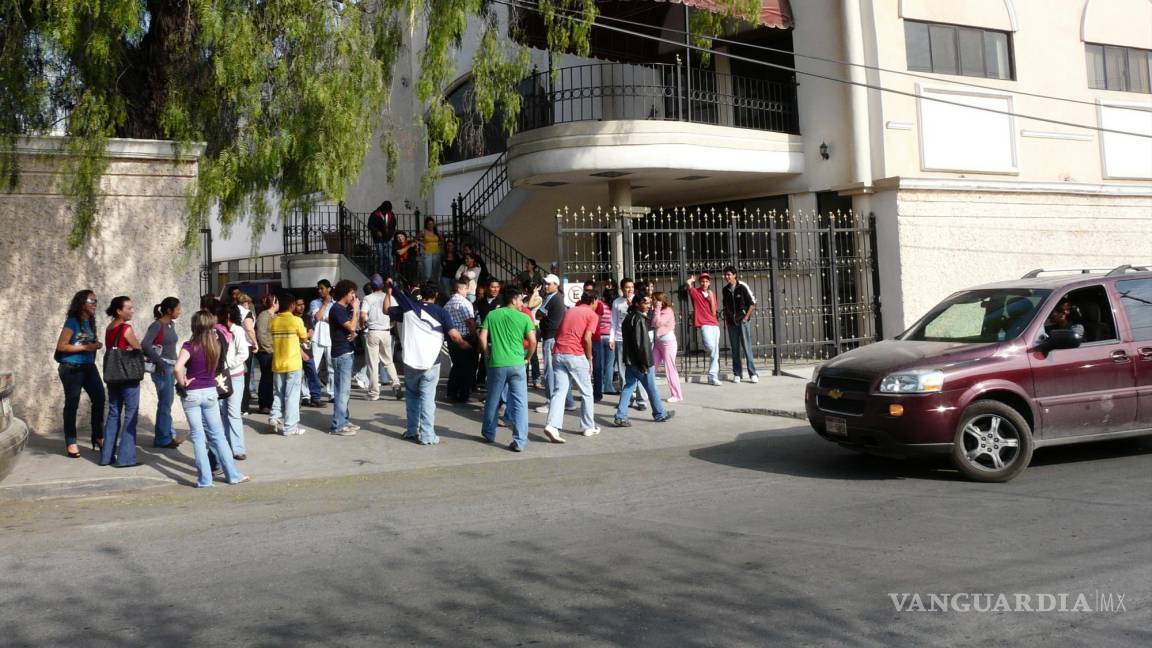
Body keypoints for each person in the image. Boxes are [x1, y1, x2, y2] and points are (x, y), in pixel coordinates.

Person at [388, 283, 470, 445]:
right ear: (436, 295)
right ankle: (427, 435)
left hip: (410, 361)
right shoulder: (441, 312)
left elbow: (388, 308)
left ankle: (412, 431)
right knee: (427, 398)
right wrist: (464, 345)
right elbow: (454, 336)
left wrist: (389, 289)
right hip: (431, 362)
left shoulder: (408, 308)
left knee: (412, 397)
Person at [174, 310, 249, 488]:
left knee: (199, 437)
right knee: (218, 436)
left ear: (195, 326)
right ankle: (233, 475)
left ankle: (205, 480)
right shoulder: (216, 345)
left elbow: (177, 368)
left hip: (192, 393)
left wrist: (183, 382)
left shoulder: (189, 345)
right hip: (210, 392)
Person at [479, 290, 537, 451]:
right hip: (518, 364)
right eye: (520, 300)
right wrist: (528, 357)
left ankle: (489, 432)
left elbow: (482, 337)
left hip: (497, 363)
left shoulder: (492, 315)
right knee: (520, 403)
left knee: (493, 398)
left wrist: (487, 353)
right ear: (513, 299)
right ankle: (519, 441)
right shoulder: (524, 317)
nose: (522, 303)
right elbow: (533, 341)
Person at [544, 289, 601, 441]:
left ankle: (552, 425)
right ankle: (588, 426)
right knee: (587, 392)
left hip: (558, 352)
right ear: (594, 300)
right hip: (575, 354)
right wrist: (589, 359)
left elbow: (558, 331)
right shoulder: (592, 315)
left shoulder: (570, 311)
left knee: (559, 392)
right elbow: (588, 338)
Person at [55, 290, 106, 458]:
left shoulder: (90, 322)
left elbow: (87, 343)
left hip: (88, 367)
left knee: (99, 398)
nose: (94, 305)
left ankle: (97, 436)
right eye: (91, 301)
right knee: (72, 403)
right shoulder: (72, 322)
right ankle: (71, 441)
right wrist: (85, 347)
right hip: (71, 367)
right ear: (81, 303)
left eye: (96, 301)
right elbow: (62, 346)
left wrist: (95, 344)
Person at [614, 294, 676, 427]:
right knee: (651, 387)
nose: (649, 305)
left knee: (629, 387)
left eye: (649, 303)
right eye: (645, 302)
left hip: (630, 360)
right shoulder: (639, 320)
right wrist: (644, 363)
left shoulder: (628, 318)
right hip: (641, 362)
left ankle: (620, 415)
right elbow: (641, 344)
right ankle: (659, 414)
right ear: (637, 304)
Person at [100, 296, 144, 468]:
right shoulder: (126, 328)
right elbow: (139, 348)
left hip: (113, 375)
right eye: (129, 308)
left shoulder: (109, 328)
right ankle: (125, 458)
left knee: (113, 413)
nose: (132, 311)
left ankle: (106, 456)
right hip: (128, 376)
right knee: (131, 414)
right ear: (119, 311)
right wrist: (134, 348)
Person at [142, 297, 182, 449]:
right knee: (165, 403)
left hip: (170, 367)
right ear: (169, 311)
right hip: (162, 369)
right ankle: (162, 439)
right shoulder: (157, 325)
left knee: (168, 402)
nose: (180, 311)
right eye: (177, 309)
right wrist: (159, 362)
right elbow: (145, 344)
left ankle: (168, 435)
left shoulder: (171, 325)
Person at [534, 274, 576, 415]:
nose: (545, 286)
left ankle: (551, 402)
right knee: (561, 371)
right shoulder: (555, 298)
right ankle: (569, 401)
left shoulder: (552, 298)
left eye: (548, 284)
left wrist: (542, 315)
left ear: (556, 285)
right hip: (555, 337)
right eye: (545, 284)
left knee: (550, 371)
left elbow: (538, 314)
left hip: (551, 338)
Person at [270, 292, 309, 435]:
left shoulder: (274, 321)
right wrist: (308, 334)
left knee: (278, 392)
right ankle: (290, 428)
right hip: (293, 363)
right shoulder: (296, 321)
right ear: (292, 306)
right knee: (292, 396)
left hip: (278, 363)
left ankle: (274, 417)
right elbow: (304, 337)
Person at [216, 303, 250, 460]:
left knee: (233, 412)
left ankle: (238, 448)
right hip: (222, 376)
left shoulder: (238, 331)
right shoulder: (219, 330)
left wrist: (227, 365)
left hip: (235, 376)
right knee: (223, 411)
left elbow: (244, 354)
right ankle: (226, 445)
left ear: (227, 315)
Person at [328, 279, 361, 436]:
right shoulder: (337, 309)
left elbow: (353, 329)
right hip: (341, 354)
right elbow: (352, 326)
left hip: (346, 351)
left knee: (344, 390)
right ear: (345, 293)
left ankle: (344, 420)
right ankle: (338, 425)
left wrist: (353, 334)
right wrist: (355, 309)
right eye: (352, 293)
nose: (354, 296)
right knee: (342, 391)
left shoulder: (343, 309)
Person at [361, 275, 402, 401]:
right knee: (388, 361)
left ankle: (374, 393)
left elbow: (363, 315)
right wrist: (392, 323)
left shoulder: (368, 298)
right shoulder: (389, 296)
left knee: (373, 364)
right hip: (386, 332)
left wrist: (365, 324)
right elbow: (395, 312)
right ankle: (396, 384)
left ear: (372, 286)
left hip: (373, 332)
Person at [609, 278, 646, 410]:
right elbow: (613, 321)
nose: (629, 290)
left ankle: (641, 401)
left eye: (631, 287)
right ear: (622, 288)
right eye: (626, 287)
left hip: (635, 340)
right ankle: (628, 399)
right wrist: (611, 338)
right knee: (622, 371)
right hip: (620, 339)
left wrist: (633, 305)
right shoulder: (617, 302)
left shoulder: (639, 300)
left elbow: (644, 316)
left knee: (640, 369)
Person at [721, 266, 759, 383]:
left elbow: (752, 303)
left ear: (734, 275)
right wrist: (728, 319)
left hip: (743, 322)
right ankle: (737, 373)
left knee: (747, 348)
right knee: (735, 349)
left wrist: (746, 317)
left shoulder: (742, 287)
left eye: (729, 274)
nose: (727, 277)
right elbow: (725, 306)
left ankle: (753, 373)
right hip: (731, 323)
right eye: (725, 275)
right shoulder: (725, 290)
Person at [444, 277, 478, 403]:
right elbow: (470, 321)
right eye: (466, 288)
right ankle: (464, 394)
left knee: (456, 366)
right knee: (467, 367)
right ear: (461, 288)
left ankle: (452, 393)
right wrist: (474, 335)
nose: (467, 291)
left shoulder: (448, 304)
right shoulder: (465, 303)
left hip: (452, 338)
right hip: (465, 337)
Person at [685, 273, 722, 386]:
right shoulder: (695, 292)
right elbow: (688, 285)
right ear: (699, 282)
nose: (704, 283)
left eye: (706, 281)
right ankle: (705, 346)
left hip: (714, 323)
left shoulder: (711, 293)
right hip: (704, 324)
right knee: (711, 347)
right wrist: (691, 280)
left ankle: (712, 376)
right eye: (702, 281)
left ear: (709, 283)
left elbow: (714, 311)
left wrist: (710, 299)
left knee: (715, 352)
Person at [651, 292, 684, 403]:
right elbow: (652, 323)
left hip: (668, 342)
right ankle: (645, 393)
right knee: (651, 367)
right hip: (658, 342)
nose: (653, 301)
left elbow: (657, 323)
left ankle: (677, 395)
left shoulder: (668, 311)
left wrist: (657, 308)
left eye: (655, 299)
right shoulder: (656, 310)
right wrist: (656, 310)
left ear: (660, 301)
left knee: (670, 368)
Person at [293, 297, 325, 408]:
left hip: (307, 350)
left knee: (312, 374)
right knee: (297, 376)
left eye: (303, 304)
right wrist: (304, 336)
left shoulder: (306, 318)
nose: (301, 307)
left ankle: (315, 398)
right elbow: (296, 337)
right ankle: (300, 399)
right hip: (295, 350)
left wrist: (304, 336)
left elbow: (311, 332)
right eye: (298, 304)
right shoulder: (292, 318)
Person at [308, 279, 335, 400]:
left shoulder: (335, 303)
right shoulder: (315, 303)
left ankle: (332, 393)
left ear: (329, 289)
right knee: (313, 367)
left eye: (322, 288)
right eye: (318, 288)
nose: (319, 291)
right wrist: (325, 305)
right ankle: (307, 393)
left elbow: (336, 320)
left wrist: (327, 316)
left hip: (331, 338)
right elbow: (318, 317)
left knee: (331, 367)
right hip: (317, 338)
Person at [473, 278, 501, 390]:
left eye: (497, 287)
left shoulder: (502, 301)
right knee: (486, 363)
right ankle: (485, 386)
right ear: (487, 288)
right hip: (485, 338)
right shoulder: (481, 302)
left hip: (499, 338)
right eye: (493, 287)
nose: (495, 289)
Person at [234, 292, 258, 414]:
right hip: (246, 346)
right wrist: (255, 342)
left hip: (234, 345)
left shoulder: (234, 311)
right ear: (246, 302)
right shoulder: (246, 313)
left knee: (235, 375)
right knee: (245, 376)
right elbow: (249, 328)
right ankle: (244, 407)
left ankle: (235, 405)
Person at [254, 294, 276, 413]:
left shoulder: (273, 315)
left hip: (272, 351)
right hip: (265, 352)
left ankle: (269, 402)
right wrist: (269, 348)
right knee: (266, 378)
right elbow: (261, 334)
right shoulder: (264, 315)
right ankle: (264, 404)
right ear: (274, 303)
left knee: (270, 379)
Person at [368, 200, 397, 277]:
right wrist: (377, 231)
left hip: (388, 238)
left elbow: (394, 224)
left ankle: (388, 273)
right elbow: (370, 225)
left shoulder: (391, 214)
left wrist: (392, 232)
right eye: (386, 210)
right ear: (382, 208)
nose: (387, 211)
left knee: (388, 256)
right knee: (381, 256)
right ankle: (381, 273)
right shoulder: (375, 214)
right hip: (379, 239)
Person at [420, 216, 442, 284]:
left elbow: (442, 240)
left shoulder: (436, 232)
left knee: (436, 272)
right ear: (426, 224)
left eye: (432, 223)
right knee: (427, 273)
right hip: (427, 253)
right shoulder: (423, 232)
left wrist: (439, 244)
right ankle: (426, 287)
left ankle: (435, 288)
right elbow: (415, 239)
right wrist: (422, 244)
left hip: (436, 253)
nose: (430, 225)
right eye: (429, 224)